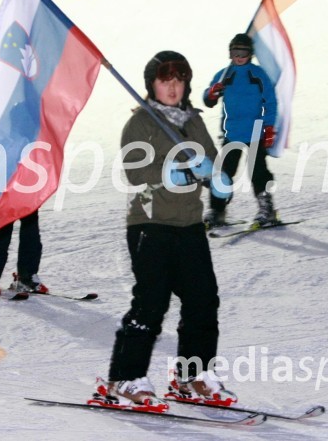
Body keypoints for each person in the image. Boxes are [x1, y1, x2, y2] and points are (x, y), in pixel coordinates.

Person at [92, 51, 236, 409]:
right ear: (151, 85)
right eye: (164, 80)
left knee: (203, 300)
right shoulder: (141, 123)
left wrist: (217, 179)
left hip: (189, 225)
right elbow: (135, 171)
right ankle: (125, 378)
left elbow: (210, 163)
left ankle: (193, 375)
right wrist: (174, 172)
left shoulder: (194, 122)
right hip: (150, 225)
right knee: (151, 304)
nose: (172, 87)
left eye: (179, 79)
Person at [202, 33, 279, 228]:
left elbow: (271, 102)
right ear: (230, 53)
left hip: (256, 131)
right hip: (232, 132)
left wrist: (269, 127)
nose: (239, 56)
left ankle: (266, 209)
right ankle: (217, 210)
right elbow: (208, 100)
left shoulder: (258, 74)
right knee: (224, 173)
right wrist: (212, 92)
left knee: (257, 171)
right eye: (235, 52)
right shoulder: (225, 74)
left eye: (243, 52)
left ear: (250, 53)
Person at [0, 210, 48, 296]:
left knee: (31, 228)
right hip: (5, 199)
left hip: (27, 197)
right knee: (3, 227)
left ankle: (26, 278)